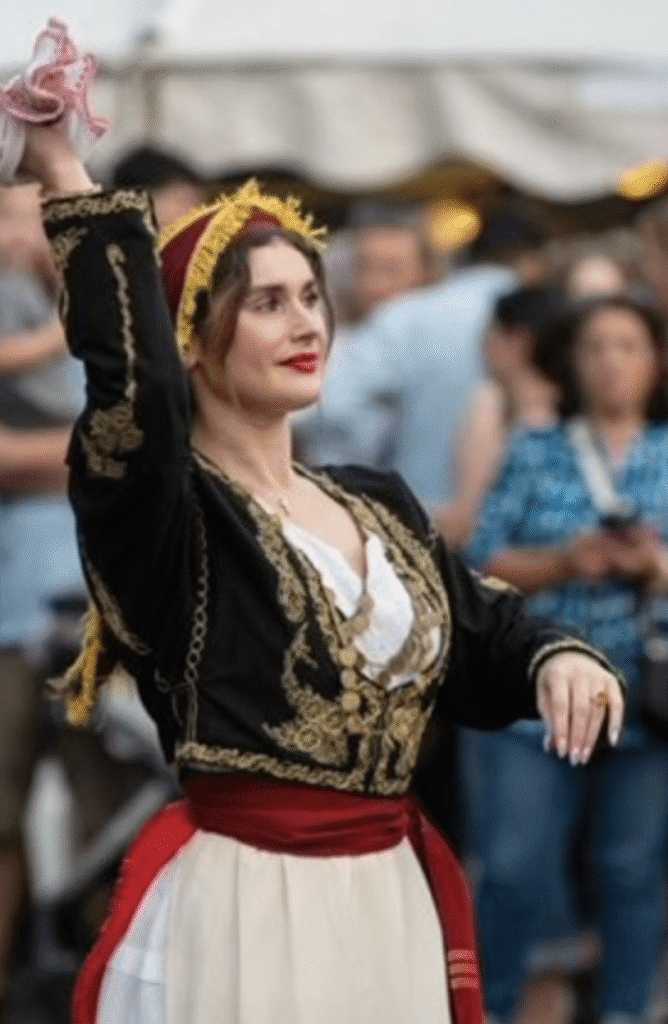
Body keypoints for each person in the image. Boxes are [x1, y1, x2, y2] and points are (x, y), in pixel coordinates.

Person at [19, 119, 624, 1024]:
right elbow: (131, 388)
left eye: (311, 296)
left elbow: (482, 624)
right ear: (193, 335)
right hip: (253, 902)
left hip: (390, 896)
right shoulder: (169, 514)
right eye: (266, 304)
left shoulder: (373, 498)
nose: (306, 323)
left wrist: (558, 657)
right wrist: (64, 170)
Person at [464, 294, 668, 1024]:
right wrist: (565, 561)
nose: (612, 362)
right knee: (514, 867)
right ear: (569, 363)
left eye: (629, 345)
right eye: (595, 347)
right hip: (534, 701)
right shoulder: (534, 447)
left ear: (656, 360)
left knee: (632, 871)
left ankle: (624, 1013)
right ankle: (489, 1009)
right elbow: (481, 565)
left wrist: (652, 567)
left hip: (645, 700)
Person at [295, 206, 435, 467]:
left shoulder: (443, 346)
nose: (373, 285)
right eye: (363, 268)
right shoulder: (329, 340)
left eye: (390, 270)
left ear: (427, 275)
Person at [434, 285, 563, 549]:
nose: (482, 346)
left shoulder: (503, 412)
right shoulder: (564, 409)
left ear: (518, 343)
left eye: (490, 334)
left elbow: (467, 521)